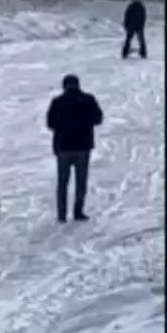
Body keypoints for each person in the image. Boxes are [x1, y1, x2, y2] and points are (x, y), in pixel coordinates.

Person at [45, 74, 104, 222]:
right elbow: (98, 119)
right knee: (81, 182)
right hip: (83, 146)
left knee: (63, 182)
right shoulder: (88, 99)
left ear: (64, 86)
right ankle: (78, 212)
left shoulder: (57, 102)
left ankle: (62, 214)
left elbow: (50, 123)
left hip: (63, 147)